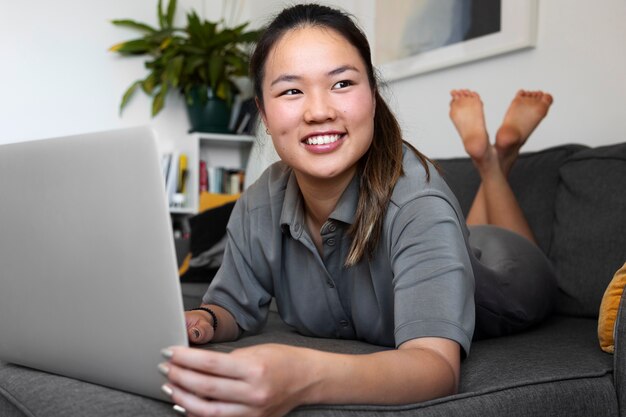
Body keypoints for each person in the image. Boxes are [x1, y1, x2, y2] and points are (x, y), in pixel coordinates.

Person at [158, 4, 556, 416]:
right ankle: (494, 157)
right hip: (456, 239)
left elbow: (437, 367)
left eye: (342, 83)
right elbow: (231, 307)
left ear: (372, 94)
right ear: (262, 111)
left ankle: (494, 160)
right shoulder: (261, 199)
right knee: (461, 235)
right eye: (291, 90)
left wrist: (303, 376)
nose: (318, 111)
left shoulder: (420, 203)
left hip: (511, 270)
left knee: (496, 251)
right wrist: (202, 319)